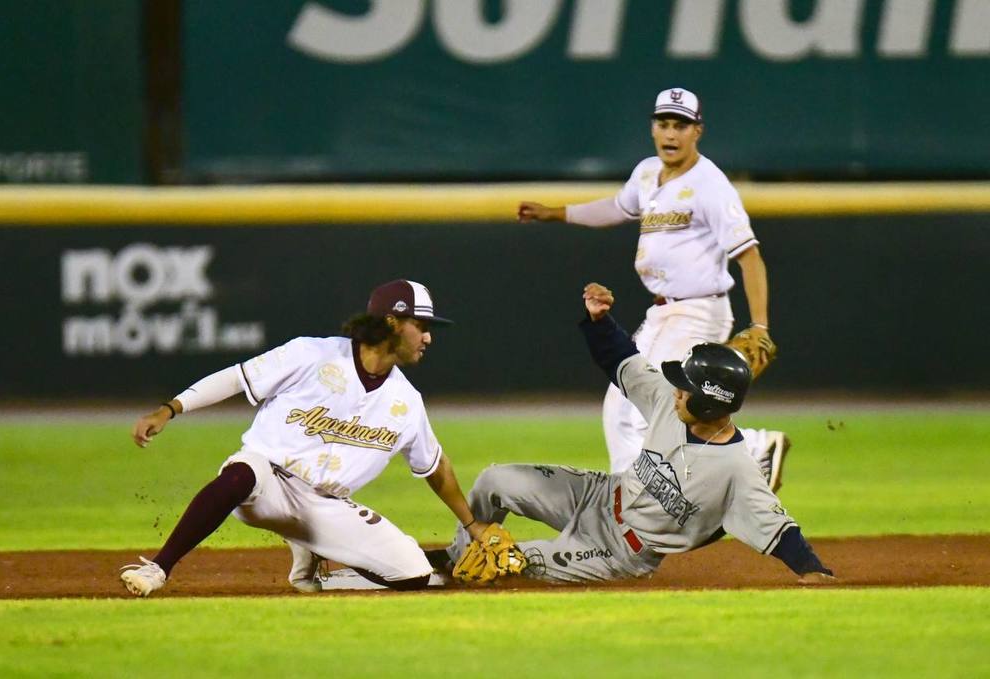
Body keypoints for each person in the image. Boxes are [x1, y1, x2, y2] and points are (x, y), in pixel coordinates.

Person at [442, 283, 833, 585]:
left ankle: (468, 571)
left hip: (618, 552)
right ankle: (452, 559)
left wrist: (815, 572)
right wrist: (600, 321)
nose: (677, 391)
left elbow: (781, 532)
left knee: (505, 564)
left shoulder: (736, 469)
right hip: (597, 495)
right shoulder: (668, 401)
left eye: (686, 388)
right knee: (494, 480)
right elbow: (622, 360)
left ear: (709, 403)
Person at [120, 279, 491, 596]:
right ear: (392, 322)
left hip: (325, 506)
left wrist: (472, 525)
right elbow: (236, 378)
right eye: (420, 325)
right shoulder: (312, 355)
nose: (428, 337)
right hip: (267, 481)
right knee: (241, 473)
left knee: (413, 574)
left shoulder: (406, 401)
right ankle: (159, 568)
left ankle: (315, 562)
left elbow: (435, 466)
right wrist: (170, 409)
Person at [517, 87, 788, 489]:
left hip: (697, 310)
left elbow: (750, 256)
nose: (671, 133)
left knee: (630, 405)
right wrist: (555, 214)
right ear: (652, 128)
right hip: (664, 312)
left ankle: (638, 498)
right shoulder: (647, 172)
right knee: (640, 403)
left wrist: (760, 326)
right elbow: (616, 207)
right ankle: (746, 451)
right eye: (664, 124)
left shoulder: (710, 185)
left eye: (681, 125)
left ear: (698, 131)